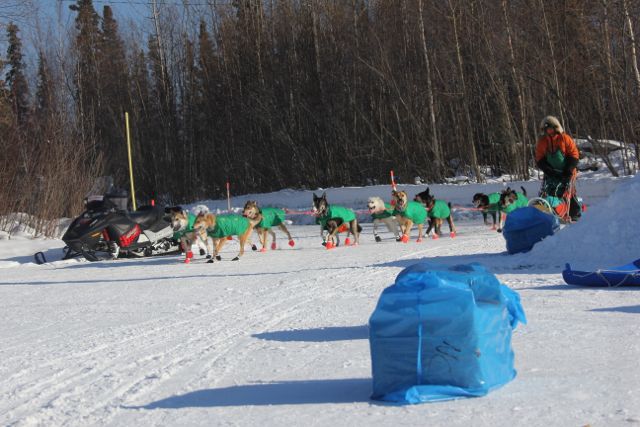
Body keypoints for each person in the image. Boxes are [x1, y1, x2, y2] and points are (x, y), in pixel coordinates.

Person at [535, 115, 581, 221]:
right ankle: (547, 211)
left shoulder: (564, 138)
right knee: (547, 191)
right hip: (551, 172)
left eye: (550, 128)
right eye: (546, 129)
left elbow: (574, 154)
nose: (549, 131)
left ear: (555, 128)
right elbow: (539, 158)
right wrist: (548, 170)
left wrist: (569, 169)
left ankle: (574, 214)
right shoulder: (542, 142)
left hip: (567, 171)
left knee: (568, 193)